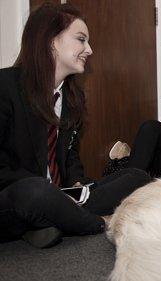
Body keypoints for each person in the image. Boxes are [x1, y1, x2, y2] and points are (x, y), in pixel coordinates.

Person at [0, 3, 151, 249]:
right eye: (81, 40)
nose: (89, 50)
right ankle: (99, 222)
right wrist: (50, 192)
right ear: (51, 40)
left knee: (137, 177)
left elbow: (70, 159)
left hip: (60, 194)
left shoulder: (71, 99)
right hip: (18, 195)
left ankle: (53, 222)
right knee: (35, 193)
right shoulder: (5, 86)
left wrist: (78, 183)